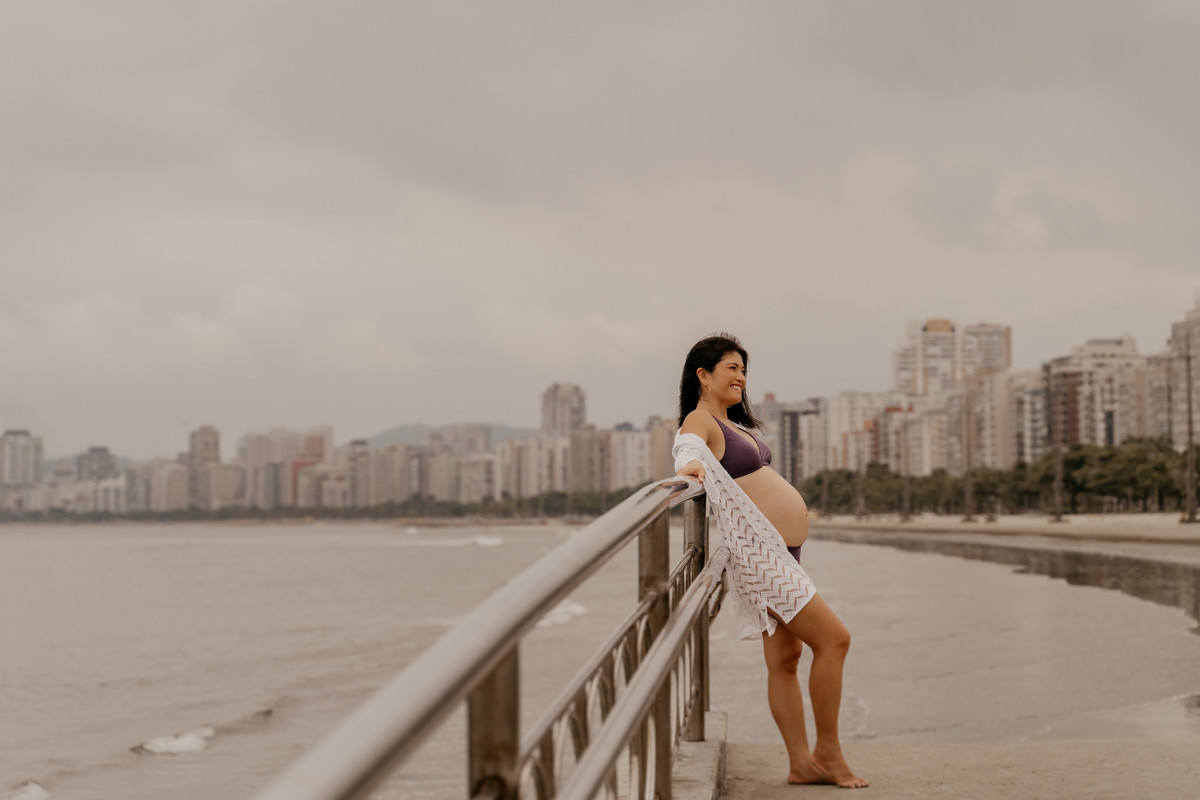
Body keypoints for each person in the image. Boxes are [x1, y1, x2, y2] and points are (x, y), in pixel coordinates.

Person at [672, 333, 869, 789]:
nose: (741, 377)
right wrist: (688, 466)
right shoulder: (700, 419)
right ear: (703, 375)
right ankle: (829, 753)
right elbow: (687, 445)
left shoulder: (734, 423)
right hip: (761, 559)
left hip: (782, 553)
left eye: (743, 369)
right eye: (731, 368)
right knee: (835, 640)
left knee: (785, 658)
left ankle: (801, 764)